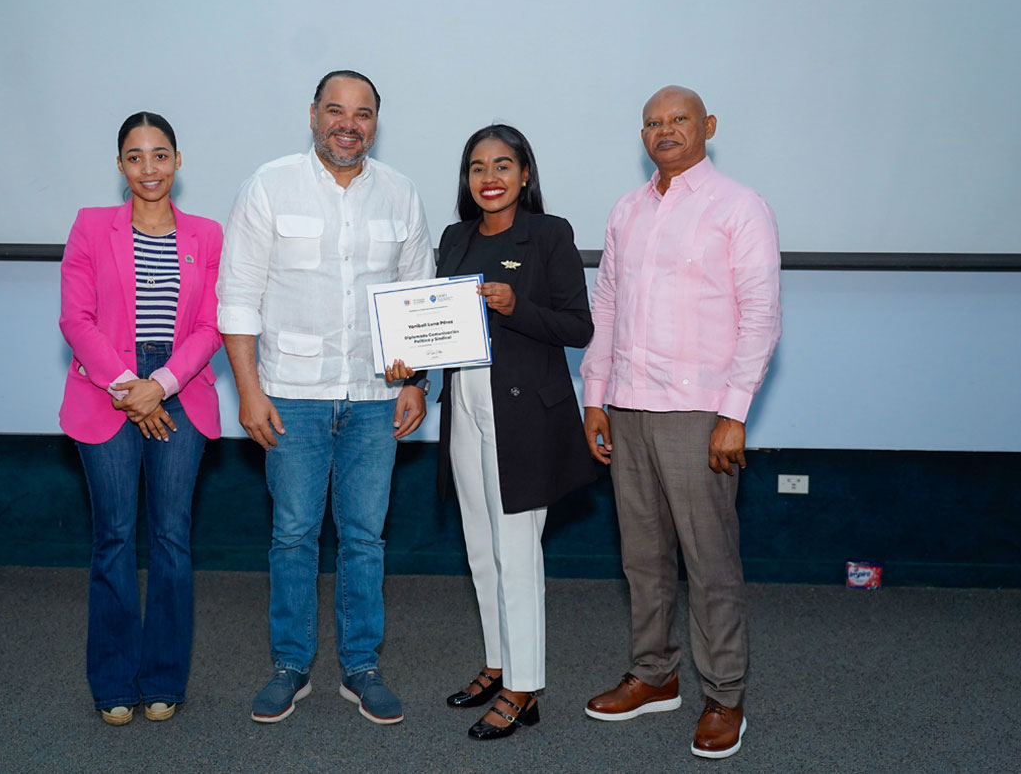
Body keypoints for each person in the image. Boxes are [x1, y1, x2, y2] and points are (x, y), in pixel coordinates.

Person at [217, 70, 434, 726]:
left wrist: (416, 382)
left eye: (362, 113)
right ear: (313, 116)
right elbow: (237, 297)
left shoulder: (400, 193)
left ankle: (361, 667)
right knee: (292, 535)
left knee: (365, 538)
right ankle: (290, 665)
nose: (348, 123)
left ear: (375, 122)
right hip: (290, 396)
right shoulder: (269, 184)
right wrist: (249, 391)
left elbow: (419, 296)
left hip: (374, 399)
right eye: (335, 110)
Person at [579, 86, 781, 759]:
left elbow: (761, 315)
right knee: (642, 560)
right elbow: (606, 305)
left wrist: (734, 412)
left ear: (707, 127)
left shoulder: (737, 207)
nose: (665, 131)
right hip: (630, 408)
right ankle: (654, 673)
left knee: (709, 561)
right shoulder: (626, 211)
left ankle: (724, 695)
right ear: (642, 135)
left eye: (679, 120)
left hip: (699, 413)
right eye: (653, 122)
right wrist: (595, 394)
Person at [386, 124, 595, 740]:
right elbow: (429, 322)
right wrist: (411, 368)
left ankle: (525, 689)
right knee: (481, 548)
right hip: (465, 406)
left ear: (525, 174)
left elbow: (577, 327)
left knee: (517, 552)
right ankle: (500, 663)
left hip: (526, 415)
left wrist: (514, 306)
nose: (490, 178)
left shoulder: (549, 234)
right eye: (477, 167)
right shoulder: (454, 238)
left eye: (503, 165)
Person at [59, 112, 223, 726]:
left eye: (160, 155)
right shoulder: (89, 227)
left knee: (173, 541)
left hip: (178, 390)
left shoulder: (207, 234)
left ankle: (162, 680)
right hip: (108, 390)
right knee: (114, 539)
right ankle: (113, 683)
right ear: (120, 165)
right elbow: (77, 320)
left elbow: (210, 325)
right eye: (135, 156)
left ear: (178, 161)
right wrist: (133, 389)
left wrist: (161, 386)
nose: (148, 168)